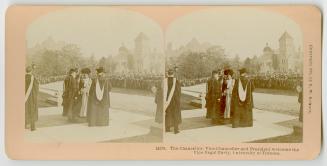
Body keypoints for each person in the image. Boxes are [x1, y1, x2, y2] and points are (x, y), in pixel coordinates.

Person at [164, 69, 181, 134]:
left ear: (167, 74)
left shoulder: (164, 81)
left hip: (166, 100)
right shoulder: (176, 81)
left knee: (168, 113)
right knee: (175, 114)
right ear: (173, 74)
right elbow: (178, 91)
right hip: (174, 100)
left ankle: (167, 128)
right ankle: (176, 130)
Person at [25, 66, 39, 131]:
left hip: (24, 97)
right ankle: (32, 127)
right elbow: (36, 87)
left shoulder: (23, 77)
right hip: (31, 97)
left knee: (25, 110)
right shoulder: (32, 78)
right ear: (31, 71)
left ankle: (25, 125)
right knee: (32, 110)